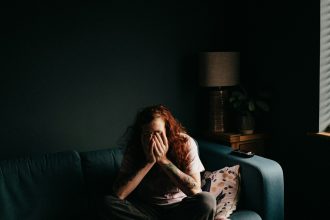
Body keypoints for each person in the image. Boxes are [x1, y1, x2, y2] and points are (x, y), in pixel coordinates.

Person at [101, 104, 216, 220]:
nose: (152, 140)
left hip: (179, 207)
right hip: (146, 209)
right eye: (147, 134)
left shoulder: (185, 143)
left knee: (207, 201)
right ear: (140, 134)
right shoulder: (134, 148)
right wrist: (150, 161)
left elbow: (196, 191)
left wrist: (163, 160)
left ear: (168, 131)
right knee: (107, 203)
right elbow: (119, 194)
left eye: (158, 133)